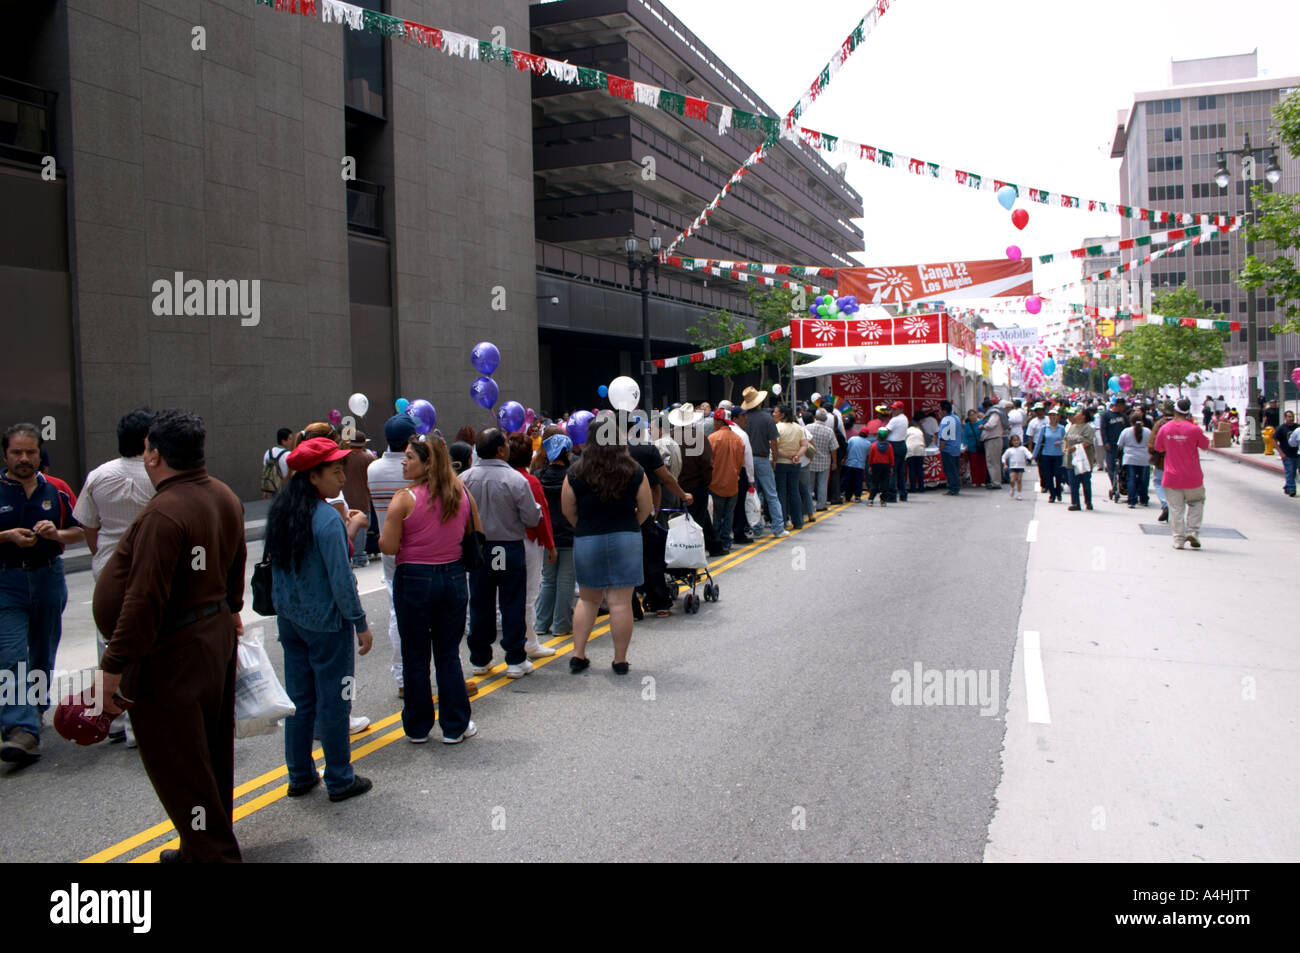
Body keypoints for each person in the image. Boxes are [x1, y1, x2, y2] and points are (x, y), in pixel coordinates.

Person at [92, 410, 248, 860]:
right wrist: (230, 613)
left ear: (155, 455)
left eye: (145, 450)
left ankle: (212, 853)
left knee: (181, 763)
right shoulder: (223, 495)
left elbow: (143, 601)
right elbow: (234, 569)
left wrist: (112, 666)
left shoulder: (165, 512)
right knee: (209, 754)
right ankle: (200, 841)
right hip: (211, 637)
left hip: (173, 653)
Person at [264, 436, 374, 803]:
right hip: (327, 624)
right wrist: (359, 622)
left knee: (299, 700)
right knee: (335, 701)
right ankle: (340, 779)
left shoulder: (282, 511)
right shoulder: (326, 519)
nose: (342, 477)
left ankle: (299, 774)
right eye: (336, 470)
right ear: (313, 477)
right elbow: (341, 581)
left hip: (291, 620)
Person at [378, 434, 477, 745]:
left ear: (427, 463)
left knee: (416, 655)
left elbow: (388, 546)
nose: (404, 461)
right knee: (448, 653)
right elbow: (477, 533)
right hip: (453, 576)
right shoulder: (461, 494)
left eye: (410, 457)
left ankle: (418, 727)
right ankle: (455, 725)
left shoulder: (404, 498)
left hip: (414, 579)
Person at [0, 423, 83, 766]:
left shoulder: (58, 489)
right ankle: (19, 728)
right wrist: (6, 537)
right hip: (7, 582)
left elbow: (80, 531)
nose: (23, 458)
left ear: (39, 453)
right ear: (5, 454)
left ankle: (32, 711)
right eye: (17, 452)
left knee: (42, 651)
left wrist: (56, 532)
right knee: (10, 654)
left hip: (49, 576)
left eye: (30, 452)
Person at [73, 408, 156, 747]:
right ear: (148, 440)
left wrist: (103, 558)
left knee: (107, 645)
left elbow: (89, 527)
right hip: (147, 572)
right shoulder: (158, 475)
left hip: (107, 570)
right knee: (143, 647)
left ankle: (109, 718)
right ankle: (140, 725)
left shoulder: (98, 476)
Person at [562, 419, 652, 675]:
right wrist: (630, 523)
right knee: (621, 603)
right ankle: (620, 660)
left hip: (588, 537)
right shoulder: (634, 470)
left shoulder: (576, 472)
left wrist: (586, 525)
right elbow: (645, 508)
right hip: (625, 535)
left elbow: (568, 510)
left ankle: (578, 655)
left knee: (588, 600)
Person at [462, 429, 542, 679]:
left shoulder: (464, 478)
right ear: (499, 450)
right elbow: (531, 517)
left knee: (480, 602)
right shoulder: (516, 479)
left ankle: (480, 658)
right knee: (512, 602)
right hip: (508, 545)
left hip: (480, 547)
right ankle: (515, 659)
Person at [368, 413, 418, 699]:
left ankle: (401, 675)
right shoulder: (413, 467)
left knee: (396, 610)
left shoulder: (373, 469)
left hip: (390, 547)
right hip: (416, 544)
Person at [507, 433, 557, 660]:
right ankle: (529, 642)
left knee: (504, 595)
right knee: (528, 595)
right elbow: (540, 516)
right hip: (527, 542)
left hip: (497, 543)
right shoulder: (529, 481)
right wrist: (550, 544)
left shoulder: (489, 477)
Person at [534, 433, 577, 638]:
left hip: (547, 535)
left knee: (548, 579)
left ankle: (541, 623)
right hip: (570, 533)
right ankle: (561, 625)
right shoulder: (573, 475)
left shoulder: (538, 476)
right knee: (566, 580)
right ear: (567, 452)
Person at [1153, 397, 1210, 550]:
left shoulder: (1165, 428)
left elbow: (1158, 447)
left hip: (1172, 476)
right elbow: (1205, 445)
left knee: (1176, 509)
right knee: (1197, 502)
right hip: (1193, 476)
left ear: (1174, 411)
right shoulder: (1194, 429)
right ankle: (1193, 531)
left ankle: (1178, 540)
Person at [670, 404, 721, 554]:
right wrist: (706, 482)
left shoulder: (670, 437)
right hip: (696, 485)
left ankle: (714, 545)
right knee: (696, 521)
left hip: (676, 486)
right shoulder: (698, 437)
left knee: (685, 520)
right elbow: (706, 463)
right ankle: (695, 554)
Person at [739, 387, 785, 537]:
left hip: (747, 460)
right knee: (771, 494)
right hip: (762, 459)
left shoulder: (743, 418)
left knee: (753, 494)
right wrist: (775, 459)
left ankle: (756, 527)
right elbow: (773, 443)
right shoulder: (767, 418)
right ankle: (778, 528)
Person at [707, 409, 745, 554]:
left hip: (716, 484)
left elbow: (708, 462)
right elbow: (741, 463)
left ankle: (716, 543)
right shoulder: (738, 439)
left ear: (718, 421)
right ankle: (726, 542)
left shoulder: (712, 438)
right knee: (729, 516)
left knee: (716, 517)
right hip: (733, 484)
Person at [771, 404, 808, 530]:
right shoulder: (798, 428)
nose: (773, 414)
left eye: (775, 412)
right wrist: (797, 456)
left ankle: (783, 521)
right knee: (794, 492)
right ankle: (798, 521)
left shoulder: (777, 427)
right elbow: (804, 445)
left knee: (781, 492)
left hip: (781, 463)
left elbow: (774, 447)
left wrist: (787, 455)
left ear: (782, 415)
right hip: (795, 464)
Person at [342, 431, 375, 568]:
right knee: (361, 529)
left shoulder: (343, 457)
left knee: (346, 527)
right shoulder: (368, 458)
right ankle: (359, 556)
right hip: (362, 498)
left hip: (345, 498)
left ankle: (349, 555)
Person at [1063, 407, 1097, 511]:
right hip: (1071, 460)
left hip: (1083, 460)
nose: (1076, 414)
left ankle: (1088, 502)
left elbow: (1088, 441)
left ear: (1083, 416)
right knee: (1073, 483)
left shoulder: (1087, 428)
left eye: (1079, 413)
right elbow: (1066, 438)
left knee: (1086, 482)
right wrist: (1065, 448)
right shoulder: (1072, 427)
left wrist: (1076, 447)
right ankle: (1075, 503)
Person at [1117, 412, 1151, 508]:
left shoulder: (1126, 431)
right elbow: (1152, 443)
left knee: (1131, 479)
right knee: (1143, 480)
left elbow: (1120, 445)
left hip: (1130, 459)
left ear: (1131, 422)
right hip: (1144, 459)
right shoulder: (1147, 431)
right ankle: (1144, 499)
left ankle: (1132, 500)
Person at [1098, 397, 1129, 501]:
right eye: (1122, 406)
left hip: (1122, 447)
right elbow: (1103, 429)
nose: (1123, 408)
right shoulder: (1106, 415)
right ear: (1118, 405)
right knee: (1111, 467)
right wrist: (1105, 442)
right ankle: (1114, 485)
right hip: (1111, 446)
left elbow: (1128, 429)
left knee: (1122, 468)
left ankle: (1122, 486)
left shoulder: (1124, 416)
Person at [1032, 409, 1066, 503]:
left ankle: (1058, 490)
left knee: (1057, 474)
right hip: (1046, 453)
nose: (1053, 417)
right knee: (1048, 475)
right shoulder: (1045, 428)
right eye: (1051, 415)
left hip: (1058, 454)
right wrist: (1034, 454)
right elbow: (1039, 442)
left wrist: (1060, 442)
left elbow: (1066, 440)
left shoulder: (1061, 428)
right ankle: (1052, 494)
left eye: (1054, 415)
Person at [884, 402, 910, 501]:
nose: (893, 411)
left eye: (895, 409)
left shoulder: (894, 420)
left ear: (901, 409)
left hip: (894, 446)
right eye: (893, 409)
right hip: (902, 444)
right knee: (900, 471)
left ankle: (892, 495)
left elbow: (886, 432)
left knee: (892, 471)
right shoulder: (905, 418)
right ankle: (903, 494)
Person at [937, 400, 962, 495]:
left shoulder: (945, 420)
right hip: (956, 448)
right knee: (955, 469)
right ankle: (955, 487)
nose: (938, 411)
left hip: (948, 449)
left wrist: (941, 448)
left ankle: (953, 489)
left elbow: (943, 437)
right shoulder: (956, 418)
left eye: (940, 409)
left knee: (949, 470)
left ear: (944, 411)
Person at [261, 428, 293, 498]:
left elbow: (266, 471)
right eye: (290, 439)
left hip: (273, 488)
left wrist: (265, 490)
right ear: (283, 441)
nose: (292, 441)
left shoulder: (268, 452)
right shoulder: (288, 455)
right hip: (286, 490)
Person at [980, 401, 1005, 489]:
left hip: (993, 439)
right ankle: (996, 481)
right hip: (995, 439)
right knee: (995, 462)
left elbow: (991, 425)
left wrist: (983, 426)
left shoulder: (994, 413)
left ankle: (995, 482)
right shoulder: (997, 412)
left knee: (992, 462)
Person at [867, 428, 894, 506]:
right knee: (885, 483)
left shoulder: (873, 446)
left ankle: (871, 499)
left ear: (878, 436)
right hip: (886, 466)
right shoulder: (889, 446)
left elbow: (871, 457)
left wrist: (870, 466)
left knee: (874, 482)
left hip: (876, 465)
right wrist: (891, 467)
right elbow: (891, 457)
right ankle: (883, 500)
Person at [1274, 409, 1298, 497]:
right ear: (1285, 418)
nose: (1291, 419)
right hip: (1287, 454)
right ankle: (1292, 489)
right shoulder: (1281, 428)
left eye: (1292, 417)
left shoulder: (1297, 428)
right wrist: (1281, 453)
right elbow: (1275, 442)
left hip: (1297, 454)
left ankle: (1287, 486)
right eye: (1289, 417)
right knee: (1289, 471)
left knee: (1293, 472)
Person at [1002, 435, 1032, 501]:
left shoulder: (1023, 448)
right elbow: (1004, 457)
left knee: (1019, 480)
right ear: (1011, 442)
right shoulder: (1009, 450)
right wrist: (1005, 464)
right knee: (1012, 480)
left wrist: (1031, 457)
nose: (1016, 442)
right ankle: (1012, 488)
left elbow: (1028, 454)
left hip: (1020, 466)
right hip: (1012, 467)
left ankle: (1019, 494)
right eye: (1014, 440)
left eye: (1017, 440)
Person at [963, 409, 987, 487]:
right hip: (971, 447)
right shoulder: (967, 425)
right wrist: (965, 444)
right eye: (970, 415)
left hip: (981, 446)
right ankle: (975, 481)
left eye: (973, 414)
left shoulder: (981, 423)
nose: (972, 417)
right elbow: (964, 436)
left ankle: (982, 480)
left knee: (982, 464)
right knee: (973, 465)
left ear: (976, 414)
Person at [905, 417, 927, 494]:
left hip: (911, 450)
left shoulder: (907, 431)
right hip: (920, 450)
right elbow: (924, 441)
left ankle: (913, 488)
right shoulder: (919, 431)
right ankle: (921, 487)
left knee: (912, 469)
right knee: (919, 469)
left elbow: (904, 441)